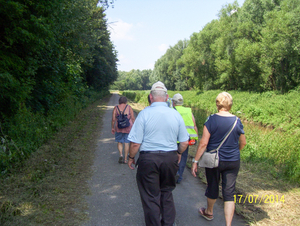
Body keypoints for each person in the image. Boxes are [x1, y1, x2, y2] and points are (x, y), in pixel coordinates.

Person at [127, 81, 189, 226]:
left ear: (151, 97)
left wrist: (131, 157)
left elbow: (135, 143)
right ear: (167, 97)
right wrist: (179, 153)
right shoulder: (175, 114)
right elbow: (185, 142)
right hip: (170, 158)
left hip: (148, 159)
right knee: (166, 193)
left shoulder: (144, 114)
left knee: (150, 197)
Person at [191, 92, 246, 226]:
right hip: (233, 161)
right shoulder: (237, 121)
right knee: (229, 192)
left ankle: (209, 212)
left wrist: (195, 161)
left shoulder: (211, 120)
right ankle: (228, 224)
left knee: (213, 186)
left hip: (214, 160)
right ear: (230, 105)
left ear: (217, 104)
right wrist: (234, 152)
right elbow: (243, 143)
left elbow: (204, 143)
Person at [172, 93, 198, 184]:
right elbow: (194, 125)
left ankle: (171, 174)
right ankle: (179, 176)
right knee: (183, 157)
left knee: (172, 157)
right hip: (186, 140)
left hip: (174, 139)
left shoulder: (172, 110)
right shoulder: (188, 111)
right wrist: (195, 138)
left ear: (173, 102)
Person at [111, 96, 135, 164]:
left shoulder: (116, 108)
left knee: (119, 141)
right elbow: (132, 118)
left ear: (119, 101)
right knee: (127, 143)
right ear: (126, 101)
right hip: (128, 127)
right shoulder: (129, 107)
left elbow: (113, 119)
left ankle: (121, 154)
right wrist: (135, 127)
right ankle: (125, 159)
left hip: (119, 127)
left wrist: (112, 127)